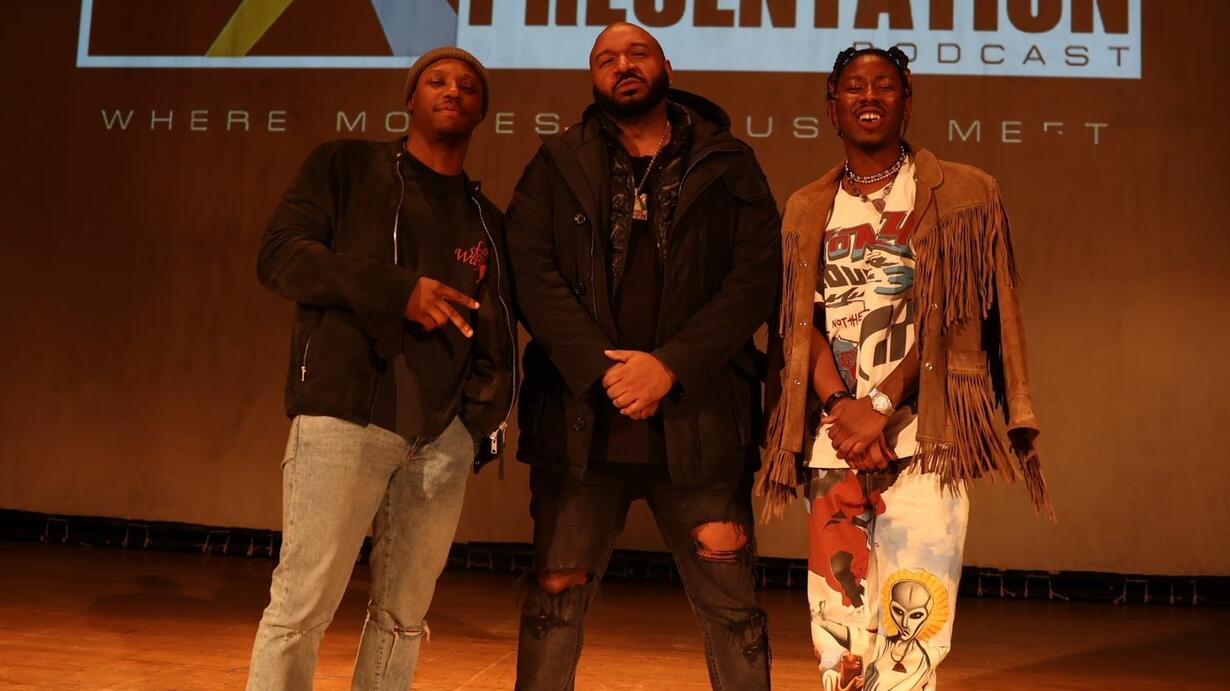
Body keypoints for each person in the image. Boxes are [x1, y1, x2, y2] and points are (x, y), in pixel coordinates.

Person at [759, 46, 1051, 690]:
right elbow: (800, 323)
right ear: (831, 107)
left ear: (907, 102)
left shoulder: (963, 193)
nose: (869, 96)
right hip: (835, 443)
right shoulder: (807, 206)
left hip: (927, 439)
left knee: (912, 631)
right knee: (837, 631)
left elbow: (962, 314)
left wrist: (882, 407)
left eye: (884, 85)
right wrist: (842, 411)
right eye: (854, 86)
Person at [504, 22, 781, 691]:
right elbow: (529, 272)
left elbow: (756, 279)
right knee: (553, 608)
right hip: (581, 427)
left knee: (733, 613)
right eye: (606, 58)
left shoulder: (727, 161)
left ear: (667, 67)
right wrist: (603, 370)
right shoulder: (557, 161)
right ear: (593, 77)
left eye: (637, 53)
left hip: (701, 426)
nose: (622, 65)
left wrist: (670, 366)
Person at [246, 47, 516, 689]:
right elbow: (281, 257)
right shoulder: (344, 166)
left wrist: (475, 424)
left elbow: (499, 327)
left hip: (441, 439)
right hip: (345, 420)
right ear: (410, 98)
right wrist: (399, 292)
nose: (453, 90)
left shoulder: (486, 220)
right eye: (436, 80)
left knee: (404, 618)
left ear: (482, 111)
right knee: (302, 606)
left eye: (468, 85)